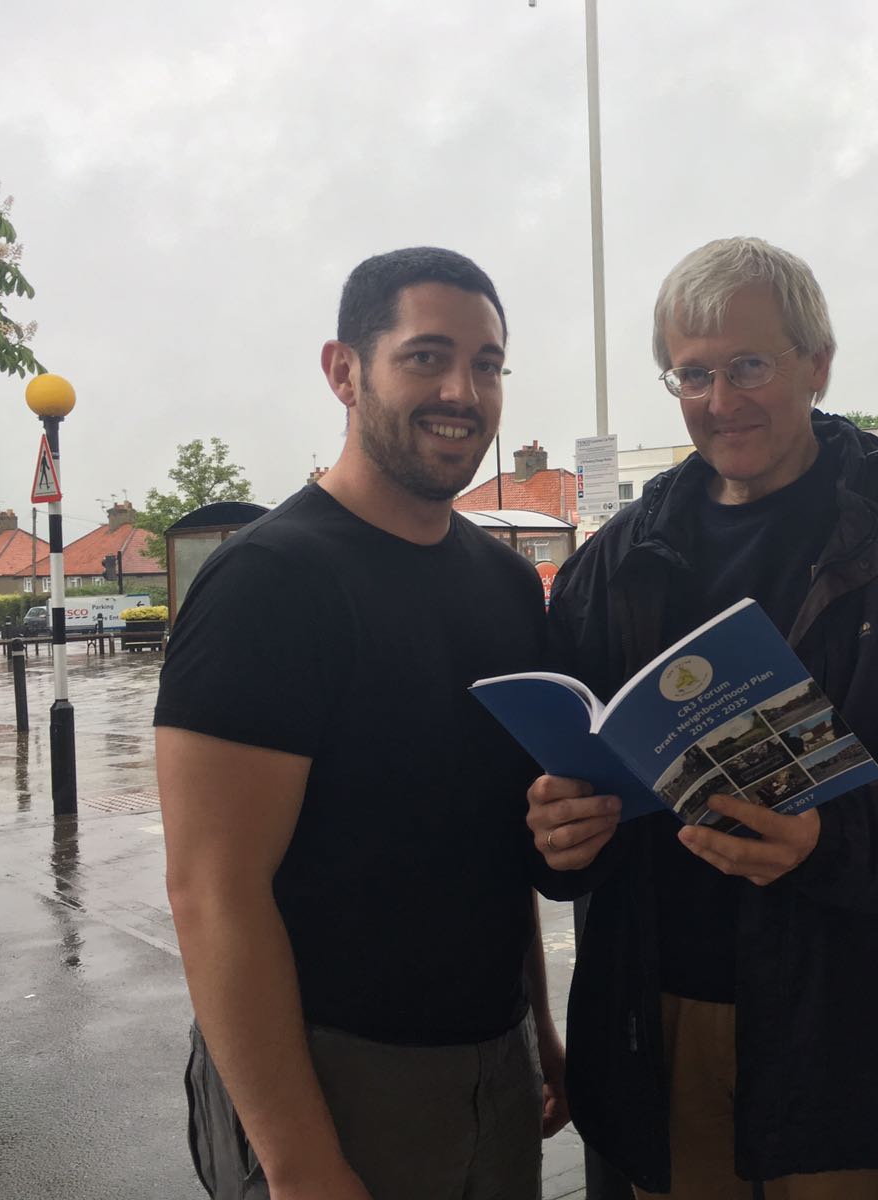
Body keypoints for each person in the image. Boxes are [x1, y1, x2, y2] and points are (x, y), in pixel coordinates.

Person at [527, 236, 878, 1198]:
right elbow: (566, 770)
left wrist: (825, 839)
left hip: (847, 1021)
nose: (720, 400)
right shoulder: (619, 556)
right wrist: (554, 828)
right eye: (691, 374)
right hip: (659, 1011)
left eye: (749, 365)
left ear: (818, 363)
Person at [155, 247, 568, 1200]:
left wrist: (536, 1028)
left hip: (492, 1066)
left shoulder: (507, 585)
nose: (463, 390)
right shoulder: (270, 583)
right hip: (328, 1078)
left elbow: (491, 846)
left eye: (489, 363)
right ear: (344, 371)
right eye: (426, 356)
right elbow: (213, 894)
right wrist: (299, 1163)